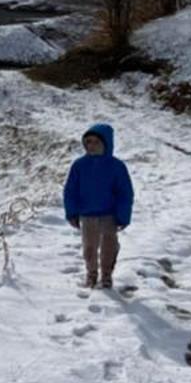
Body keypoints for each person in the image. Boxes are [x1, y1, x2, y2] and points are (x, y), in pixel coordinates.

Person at [63, 122, 134, 289]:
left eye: (96, 142)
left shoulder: (117, 166)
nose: (92, 145)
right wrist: (71, 213)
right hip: (87, 215)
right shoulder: (79, 165)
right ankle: (92, 274)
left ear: (106, 143)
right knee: (89, 248)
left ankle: (107, 275)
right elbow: (70, 190)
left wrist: (123, 216)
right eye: (88, 142)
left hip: (109, 215)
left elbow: (125, 193)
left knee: (109, 248)